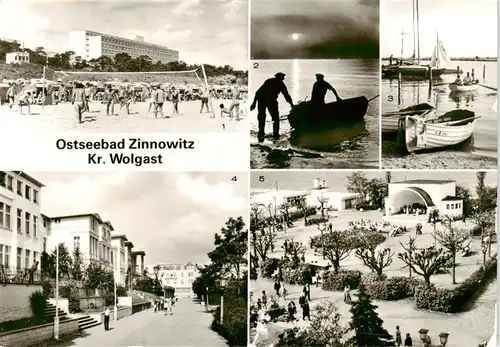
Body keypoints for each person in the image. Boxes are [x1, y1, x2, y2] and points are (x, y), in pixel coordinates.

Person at [250, 72, 293, 142]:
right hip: (267, 100)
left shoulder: (270, 81)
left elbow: (258, 92)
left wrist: (254, 103)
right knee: (274, 118)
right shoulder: (280, 84)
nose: (283, 79)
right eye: (282, 78)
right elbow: (286, 95)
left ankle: (262, 133)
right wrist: (291, 104)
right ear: (280, 78)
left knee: (262, 117)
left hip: (263, 99)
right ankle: (274, 134)